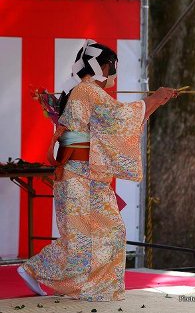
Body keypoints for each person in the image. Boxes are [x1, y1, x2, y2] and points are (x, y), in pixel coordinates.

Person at [17, 39, 178, 301]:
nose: (113, 71)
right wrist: (156, 98)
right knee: (80, 241)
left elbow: (116, 123)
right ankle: (34, 269)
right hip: (77, 174)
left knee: (111, 232)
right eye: (110, 65)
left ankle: (95, 287)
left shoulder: (84, 92)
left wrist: (157, 101)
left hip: (87, 175)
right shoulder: (88, 91)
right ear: (101, 66)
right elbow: (121, 121)